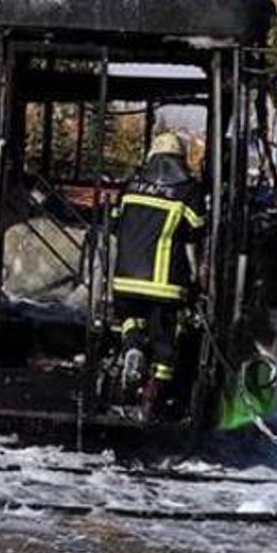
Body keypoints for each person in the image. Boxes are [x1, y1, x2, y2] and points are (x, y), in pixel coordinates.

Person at [112, 132, 207, 420]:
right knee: (165, 339)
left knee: (131, 319)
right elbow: (197, 231)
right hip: (165, 284)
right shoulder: (188, 190)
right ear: (181, 159)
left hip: (124, 279)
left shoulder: (131, 186)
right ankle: (153, 397)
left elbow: (115, 223)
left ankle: (132, 347)